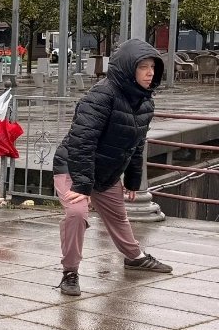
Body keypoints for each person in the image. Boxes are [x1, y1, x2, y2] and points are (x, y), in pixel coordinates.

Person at [52, 39, 171, 296]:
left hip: (105, 172)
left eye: (153, 67)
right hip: (73, 167)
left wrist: (133, 180)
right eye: (143, 67)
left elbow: (137, 144)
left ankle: (135, 257)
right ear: (128, 68)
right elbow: (82, 142)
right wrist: (82, 186)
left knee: (118, 218)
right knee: (76, 214)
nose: (150, 73)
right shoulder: (101, 96)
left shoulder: (145, 102)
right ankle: (70, 272)